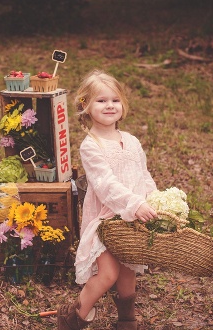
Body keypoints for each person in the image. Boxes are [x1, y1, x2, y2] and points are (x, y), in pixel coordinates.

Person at [57, 69, 158, 330]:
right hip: (107, 221)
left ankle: (126, 321)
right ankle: (73, 318)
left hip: (133, 221)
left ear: (123, 104)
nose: (109, 105)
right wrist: (134, 203)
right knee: (108, 274)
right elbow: (105, 185)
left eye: (114, 100)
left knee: (127, 274)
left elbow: (143, 175)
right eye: (101, 100)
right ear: (86, 107)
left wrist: (155, 200)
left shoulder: (132, 141)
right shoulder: (92, 145)